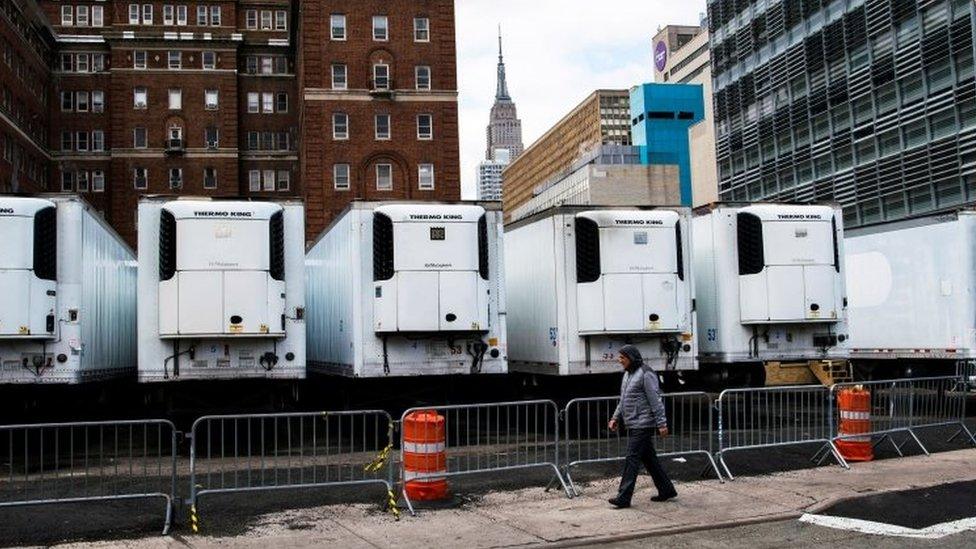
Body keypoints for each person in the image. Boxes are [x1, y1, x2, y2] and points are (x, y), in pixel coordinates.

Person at [607, 344, 677, 508]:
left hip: (643, 423)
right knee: (649, 459)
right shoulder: (628, 375)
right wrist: (615, 417)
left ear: (631, 358)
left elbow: (656, 400)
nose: (619, 361)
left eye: (622, 358)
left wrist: (662, 423)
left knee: (632, 459)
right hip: (633, 422)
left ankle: (624, 497)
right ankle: (666, 489)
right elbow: (623, 399)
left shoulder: (646, 374)